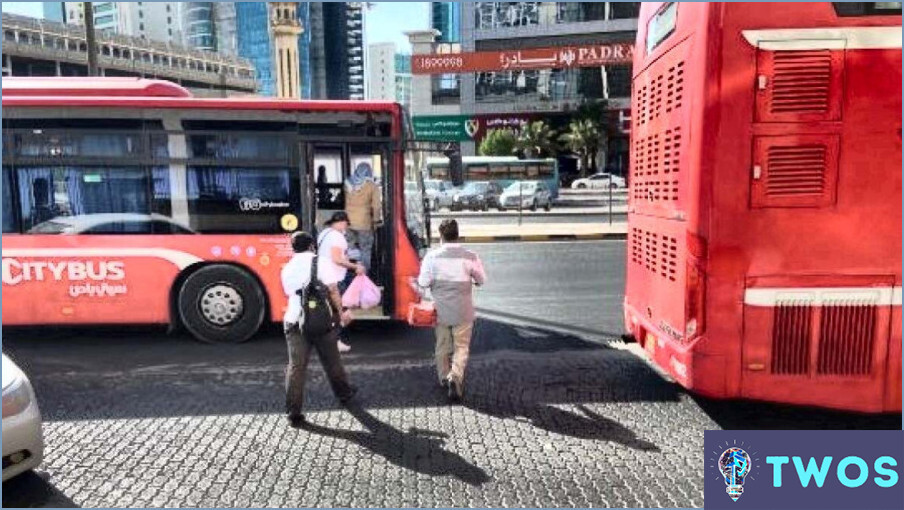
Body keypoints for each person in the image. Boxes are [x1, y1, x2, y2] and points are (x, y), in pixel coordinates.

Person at [281, 231, 357, 428]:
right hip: (321, 321)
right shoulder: (321, 263)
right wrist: (341, 313)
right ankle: (344, 394)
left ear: (293, 248)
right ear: (312, 246)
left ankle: (293, 412)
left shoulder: (286, 268)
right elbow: (332, 290)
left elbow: (289, 293)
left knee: (296, 367)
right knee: (332, 360)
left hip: (294, 320)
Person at [416, 219, 487, 401]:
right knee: (461, 347)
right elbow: (481, 280)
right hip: (463, 310)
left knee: (442, 346)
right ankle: (455, 377)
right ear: (457, 234)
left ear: (441, 236)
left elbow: (423, 283)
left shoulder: (431, 257)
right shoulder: (470, 256)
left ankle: (444, 378)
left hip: (441, 311)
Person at [318, 211, 365, 353]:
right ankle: (335, 342)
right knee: (341, 312)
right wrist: (356, 266)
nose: (346, 227)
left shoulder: (324, 233)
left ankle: (330, 340)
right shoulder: (337, 237)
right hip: (334, 278)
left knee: (334, 311)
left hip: (324, 276)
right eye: (346, 223)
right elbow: (337, 259)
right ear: (343, 222)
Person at [344, 162, 383, 274]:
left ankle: (350, 271)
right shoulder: (372, 186)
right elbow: (376, 206)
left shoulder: (347, 183)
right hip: (364, 223)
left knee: (350, 247)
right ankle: (364, 273)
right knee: (365, 248)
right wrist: (376, 220)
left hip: (348, 221)